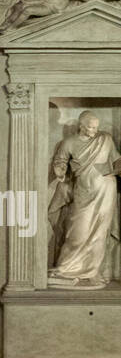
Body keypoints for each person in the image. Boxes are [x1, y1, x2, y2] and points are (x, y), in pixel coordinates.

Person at [49, 112, 121, 288]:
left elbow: (117, 159)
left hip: (106, 190)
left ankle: (92, 271)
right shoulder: (69, 143)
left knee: (99, 233)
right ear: (81, 126)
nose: (94, 131)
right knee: (77, 231)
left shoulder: (105, 139)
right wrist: (59, 170)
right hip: (83, 191)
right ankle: (65, 269)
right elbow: (60, 160)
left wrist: (118, 169)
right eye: (90, 127)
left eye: (96, 127)